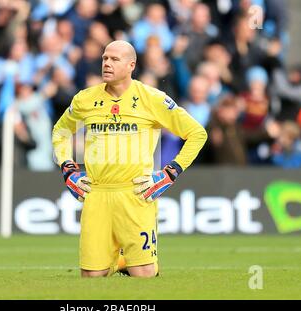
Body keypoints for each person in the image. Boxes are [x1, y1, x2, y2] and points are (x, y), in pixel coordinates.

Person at [52, 40, 207, 278]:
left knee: (143, 274)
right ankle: (117, 261)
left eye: (114, 59)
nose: (107, 63)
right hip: (96, 194)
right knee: (92, 278)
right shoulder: (84, 99)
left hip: (136, 194)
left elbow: (197, 133)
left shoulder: (152, 98)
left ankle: (131, 262)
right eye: (105, 58)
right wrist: (67, 167)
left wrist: (170, 173)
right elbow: (60, 132)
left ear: (131, 65)